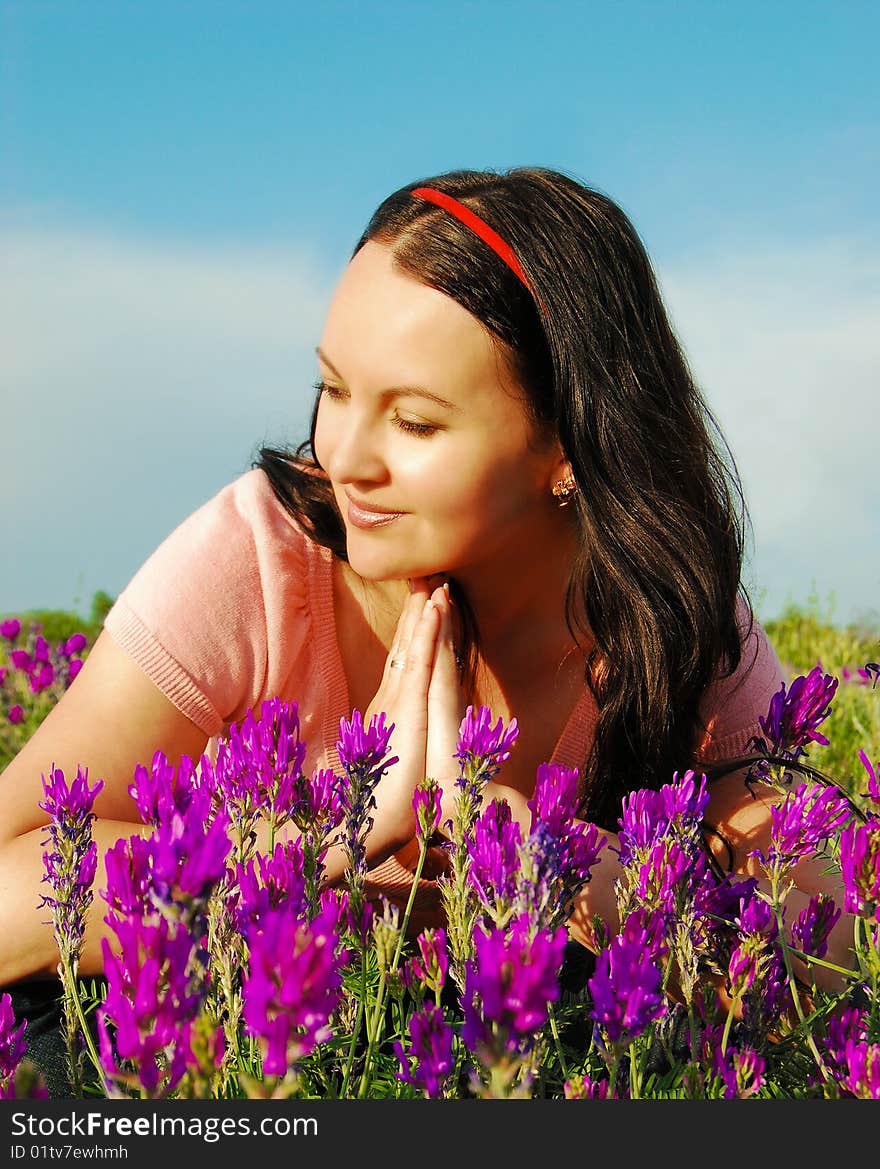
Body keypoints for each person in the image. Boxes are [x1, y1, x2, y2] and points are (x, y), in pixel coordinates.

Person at [0, 166, 854, 1015]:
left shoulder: (667, 607)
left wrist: (542, 856)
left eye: (414, 421)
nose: (345, 458)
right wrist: (336, 831)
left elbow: (833, 945)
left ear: (567, 446)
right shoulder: (257, 557)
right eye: (332, 389)